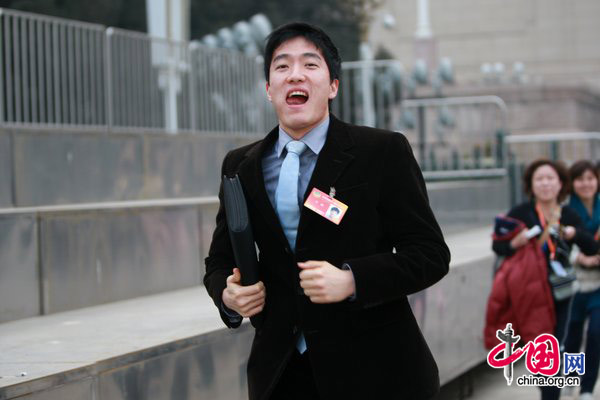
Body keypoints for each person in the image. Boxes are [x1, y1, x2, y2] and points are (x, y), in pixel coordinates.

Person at [204, 22, 450, 400]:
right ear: (268, 89)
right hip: (282, 373)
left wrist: (352, 280)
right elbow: (219, 261)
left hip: (376, 371)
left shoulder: (381, 152)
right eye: (282, 66)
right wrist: (229, 295)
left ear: (333, 85)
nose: (295, 75)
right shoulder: (240, 165)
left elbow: (431, 255)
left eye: (310, 64)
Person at [492, 159, 598, 400]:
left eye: (551, 178)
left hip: (563, 292)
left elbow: (591, 247)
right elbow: (498, 246)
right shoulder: (521, 213)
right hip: (531, 293)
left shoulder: (569, 214)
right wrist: (513, 244)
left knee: (558, 345)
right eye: (539, 179)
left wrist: (575, 234)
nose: (546, 183)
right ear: (531, 184)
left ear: (561, 183)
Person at [564, 160, 600, 400]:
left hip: (599, 283)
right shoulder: (565, 210)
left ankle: (587, 388)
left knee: (596, 333)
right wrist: (581, 258)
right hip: (574, 282)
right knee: (572, 334)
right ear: (572, 183)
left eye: (590, 178)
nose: (586, 184)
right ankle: (572, 376)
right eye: (580, 179)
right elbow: (559, 245)